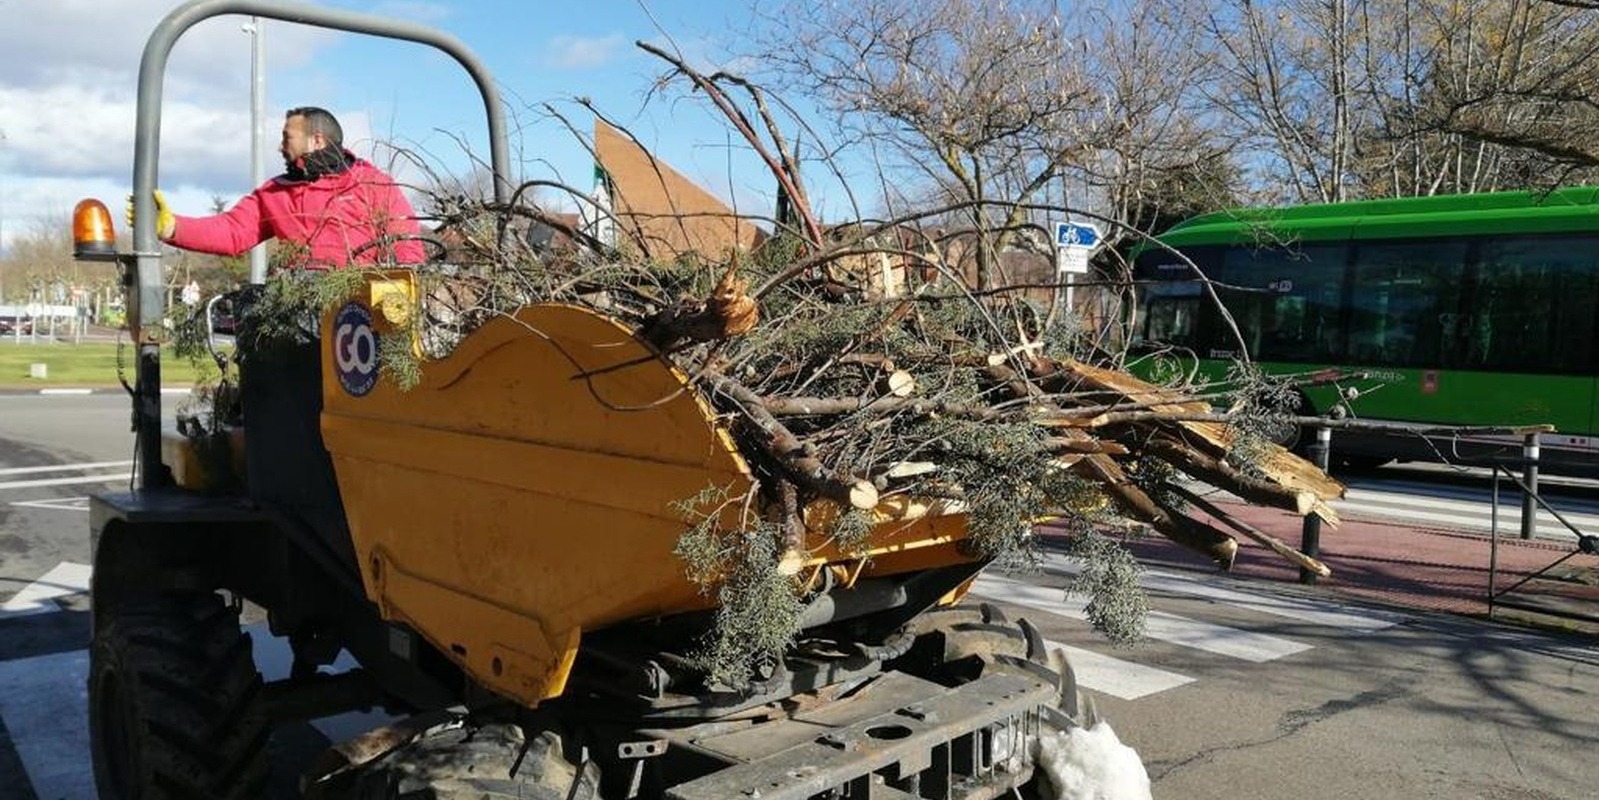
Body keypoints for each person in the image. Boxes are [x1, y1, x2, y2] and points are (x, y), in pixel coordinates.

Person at [131, 106, 425, 269]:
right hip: (299, 315)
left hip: (360, 315)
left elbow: (406, 246)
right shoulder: (275, 192)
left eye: (287, 138)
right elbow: (232, 232)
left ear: (317, 141)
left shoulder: (373, 184)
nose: (280, 146)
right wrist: (172, 228)